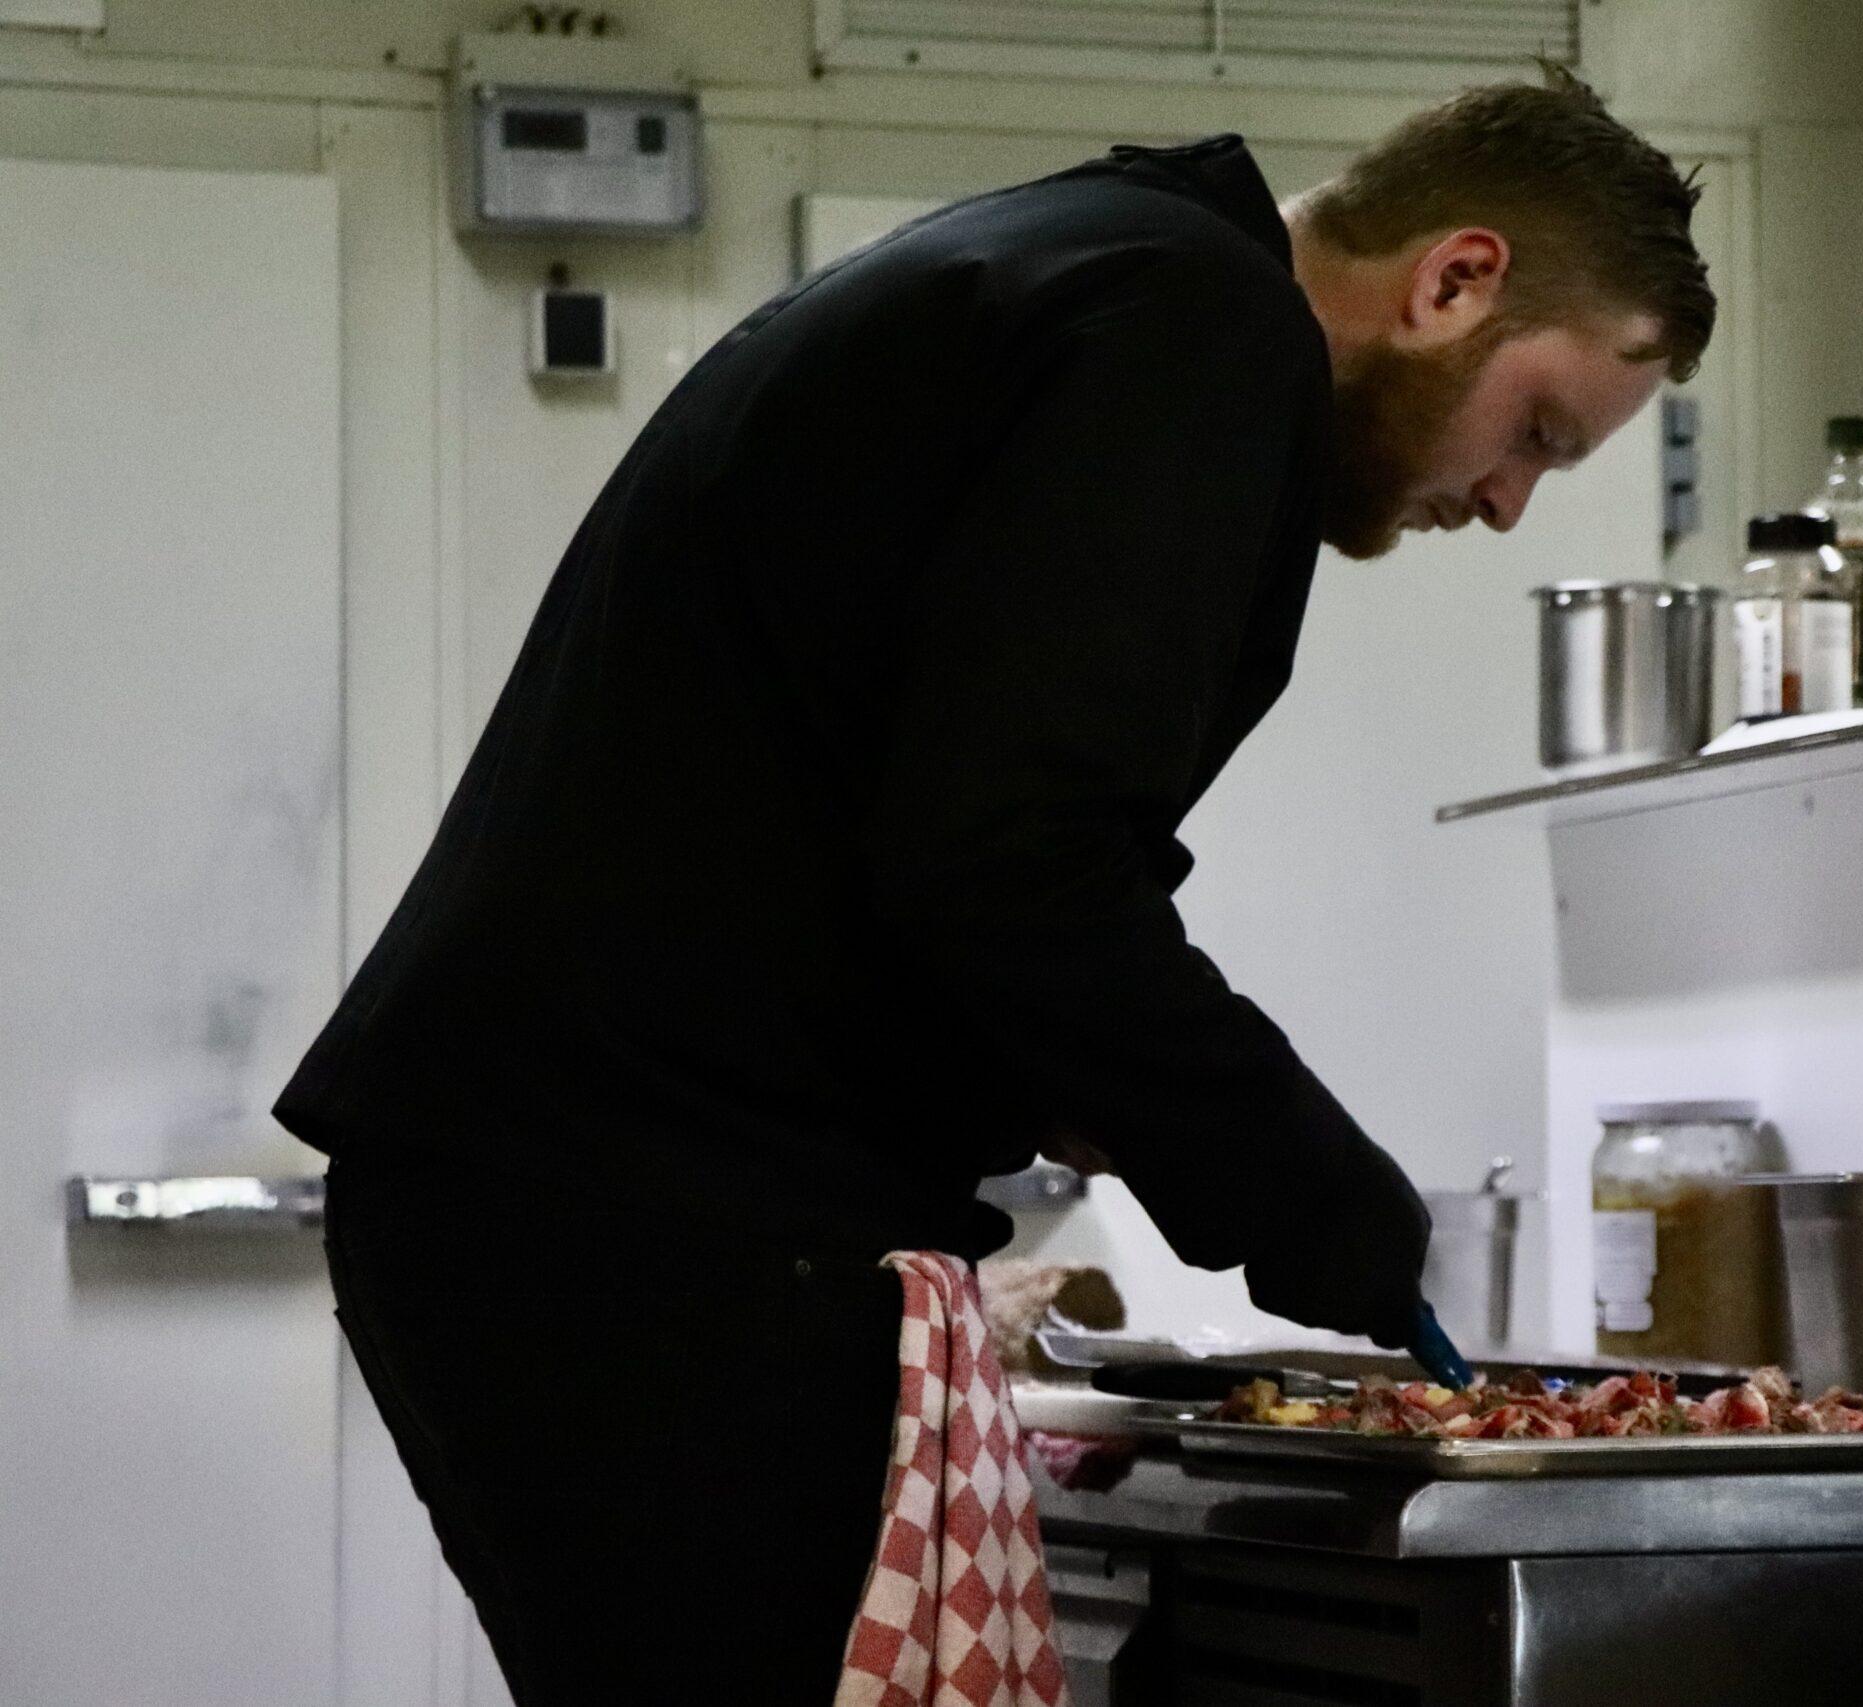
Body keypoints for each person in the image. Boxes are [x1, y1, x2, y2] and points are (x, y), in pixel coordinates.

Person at [281, 63, 1714, 1705]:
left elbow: (925, 798)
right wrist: (1317, 1194)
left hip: (570, 1186)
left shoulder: (1086, 264)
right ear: (1453, 280)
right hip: (656, 1219)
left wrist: (1076, 1071)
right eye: (1535, 431)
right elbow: (1018, 855)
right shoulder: (1195, 325)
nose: (1508, 501)